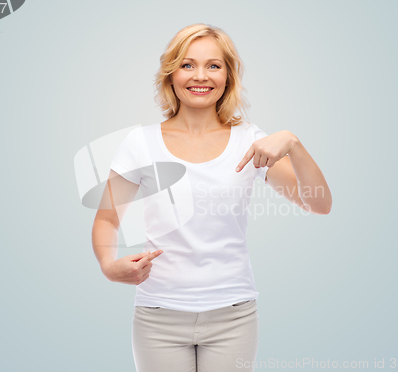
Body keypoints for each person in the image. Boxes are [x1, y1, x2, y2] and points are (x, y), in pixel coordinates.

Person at [92, 23, 332, 372]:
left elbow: (319, 204)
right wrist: (108, 266)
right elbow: (107, 218)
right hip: (159, 315)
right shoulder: (140, 143)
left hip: (232, 316)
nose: (200, 76)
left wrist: (294, 144)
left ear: (228, 76)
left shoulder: (251, 141)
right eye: (187, 64)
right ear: (171, 75)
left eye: (213, 65)